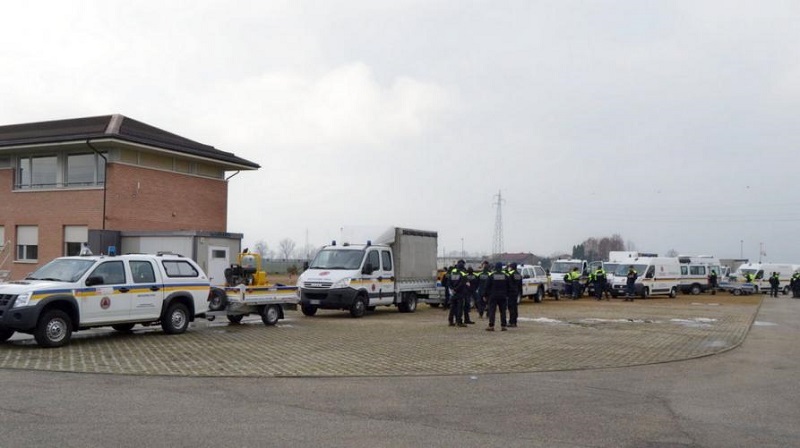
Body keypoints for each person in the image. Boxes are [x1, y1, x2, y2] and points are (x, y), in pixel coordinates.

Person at [485, 262, 509, 331]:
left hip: (493, 296)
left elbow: (487, 286)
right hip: (503, 296)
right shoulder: (505, 276)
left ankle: (491, 326)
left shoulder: (491, 275)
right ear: (501, 267)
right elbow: (508, 286)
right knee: (503, 311)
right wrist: (507, 294)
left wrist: (485, 295)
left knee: (492, 311)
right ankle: (503, 326)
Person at [447, 260, 469, 327]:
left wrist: (452, 289)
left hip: (453, 293)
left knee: (452, 307)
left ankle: (450, 321)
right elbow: (462, 283)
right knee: (460, 308)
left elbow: (449, 282)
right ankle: (459, 322)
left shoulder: (452, 273)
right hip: (460, 293)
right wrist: (456, 289)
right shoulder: (463, 273)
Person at [505, 262, 523, 327]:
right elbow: (520, 285)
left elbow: (508, 283)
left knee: (511, 307)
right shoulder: (519, 274)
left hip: (511, 293)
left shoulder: (511, 274)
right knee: (515, 307)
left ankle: (511, 322)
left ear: (512, 267)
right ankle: (515, 322)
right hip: (516, 292)